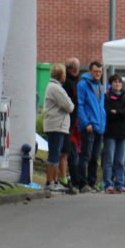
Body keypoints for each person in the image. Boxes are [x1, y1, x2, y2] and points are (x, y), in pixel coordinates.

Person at [41, 63, 74, 193]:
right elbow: (69, 106)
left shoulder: (54, 87)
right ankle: (51, 181)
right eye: (64, 74)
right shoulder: (56, 88)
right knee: (54, 154)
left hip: (57, 125)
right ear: (60, 75)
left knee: (56, 153)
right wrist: (70, 103)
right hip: (56, 125)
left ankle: (54, 180)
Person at [75, 61, 107, 192]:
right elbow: (80, 104)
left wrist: (103, 123)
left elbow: (101, 106)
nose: (98, 74)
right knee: (85, 156)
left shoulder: (100, 86)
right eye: (95, 72)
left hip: (99, 126)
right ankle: (82, 183)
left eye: (100, 72)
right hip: (89, 126)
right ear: (90, 71)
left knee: (95, 157)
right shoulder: (83, 85)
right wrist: (85, 123)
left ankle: (92, 182)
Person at [103, 74, 125, 193]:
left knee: (121, 160)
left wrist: (117, 112)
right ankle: (108, 184)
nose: (117, 83)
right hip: (110, 132)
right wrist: (123, 112)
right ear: (111, 84)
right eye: (115, 81)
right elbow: (108, 113)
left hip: (123, 132)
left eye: (119, 81)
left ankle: (120, 184)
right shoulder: (107, 96)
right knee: (109, 159)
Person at [61, 58, 81, 192]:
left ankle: (75, 180)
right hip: (69, 124)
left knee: (71, 153)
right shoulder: (68, 84)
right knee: (66, 153)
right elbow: (69, 105)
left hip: (73, 122)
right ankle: (71, 180)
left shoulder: (74, 83)